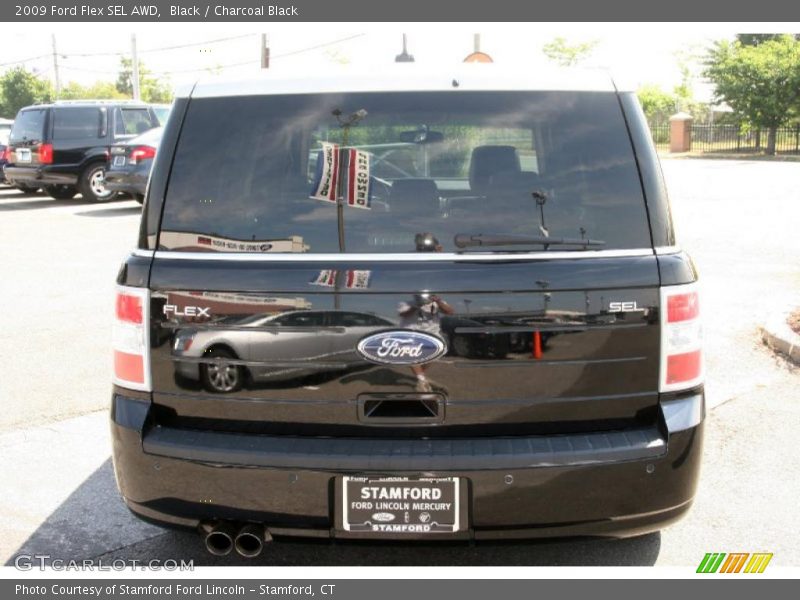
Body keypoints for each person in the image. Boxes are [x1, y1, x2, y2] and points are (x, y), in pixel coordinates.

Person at [397, 234, 454, 392]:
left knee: (436, 353)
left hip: (432, 331)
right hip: (412, 331)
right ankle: (421, 381)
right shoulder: (408, 299)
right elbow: (404, 314)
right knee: (411, 354)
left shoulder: (434, 297)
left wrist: (438, 301)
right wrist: (417, 305)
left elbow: (450, 311)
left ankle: (421, 377)